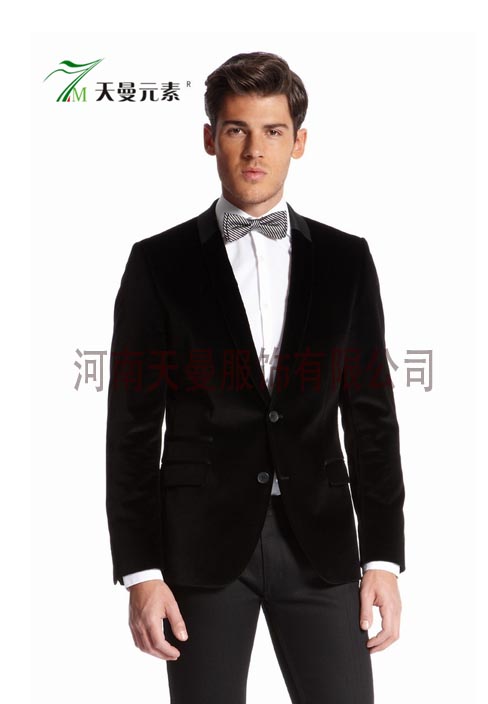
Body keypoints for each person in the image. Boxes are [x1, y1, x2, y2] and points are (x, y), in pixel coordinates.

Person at [106, 51, 405, 704]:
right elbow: (131, 430)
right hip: (199, 548)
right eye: (236, 129)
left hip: (320, 543)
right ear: (210, 137)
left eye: (273, 131)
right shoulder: (158, 263)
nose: (254, 150)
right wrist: (141, 571)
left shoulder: (348, 260)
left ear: (299, 141)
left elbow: (372, 419)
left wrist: (383, 558)